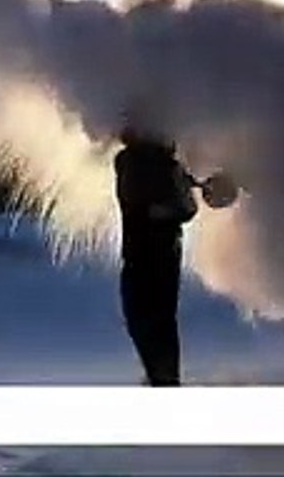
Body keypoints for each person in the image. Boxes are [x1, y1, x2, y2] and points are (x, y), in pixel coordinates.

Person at [113, 125, 198, 386]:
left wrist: (162, 211)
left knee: (153, 319)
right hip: (142, 254)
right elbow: (185, 207)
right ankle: (161, 378)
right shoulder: (134, 161)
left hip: (158, 255)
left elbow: (186, 209)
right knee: (145, 318)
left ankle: (164, 380)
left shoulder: (162, 165)